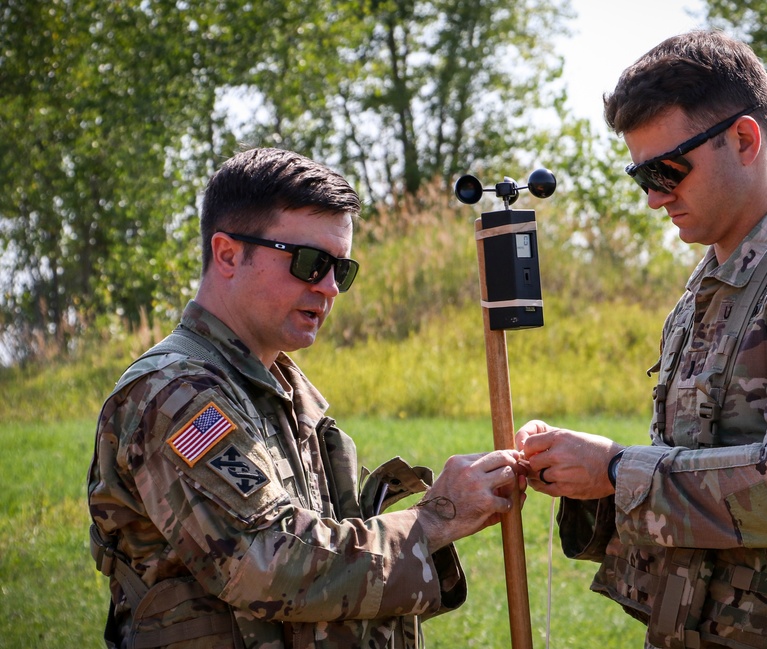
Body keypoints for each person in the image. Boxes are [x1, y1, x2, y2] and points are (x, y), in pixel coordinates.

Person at [515, 30, 767, 649]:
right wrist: (581, 471)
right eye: (639, 174)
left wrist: (616, 470)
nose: (652, 198)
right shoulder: (714, 279)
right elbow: (694, 460)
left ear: (745, 139)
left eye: (668, 169)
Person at [88, 147, 523, 648]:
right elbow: (266, 561)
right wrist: (432, 521)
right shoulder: (177, 394)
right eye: (311, 262)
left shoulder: (283, 393)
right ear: (228, 254)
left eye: (342, 269)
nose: (331, 288)